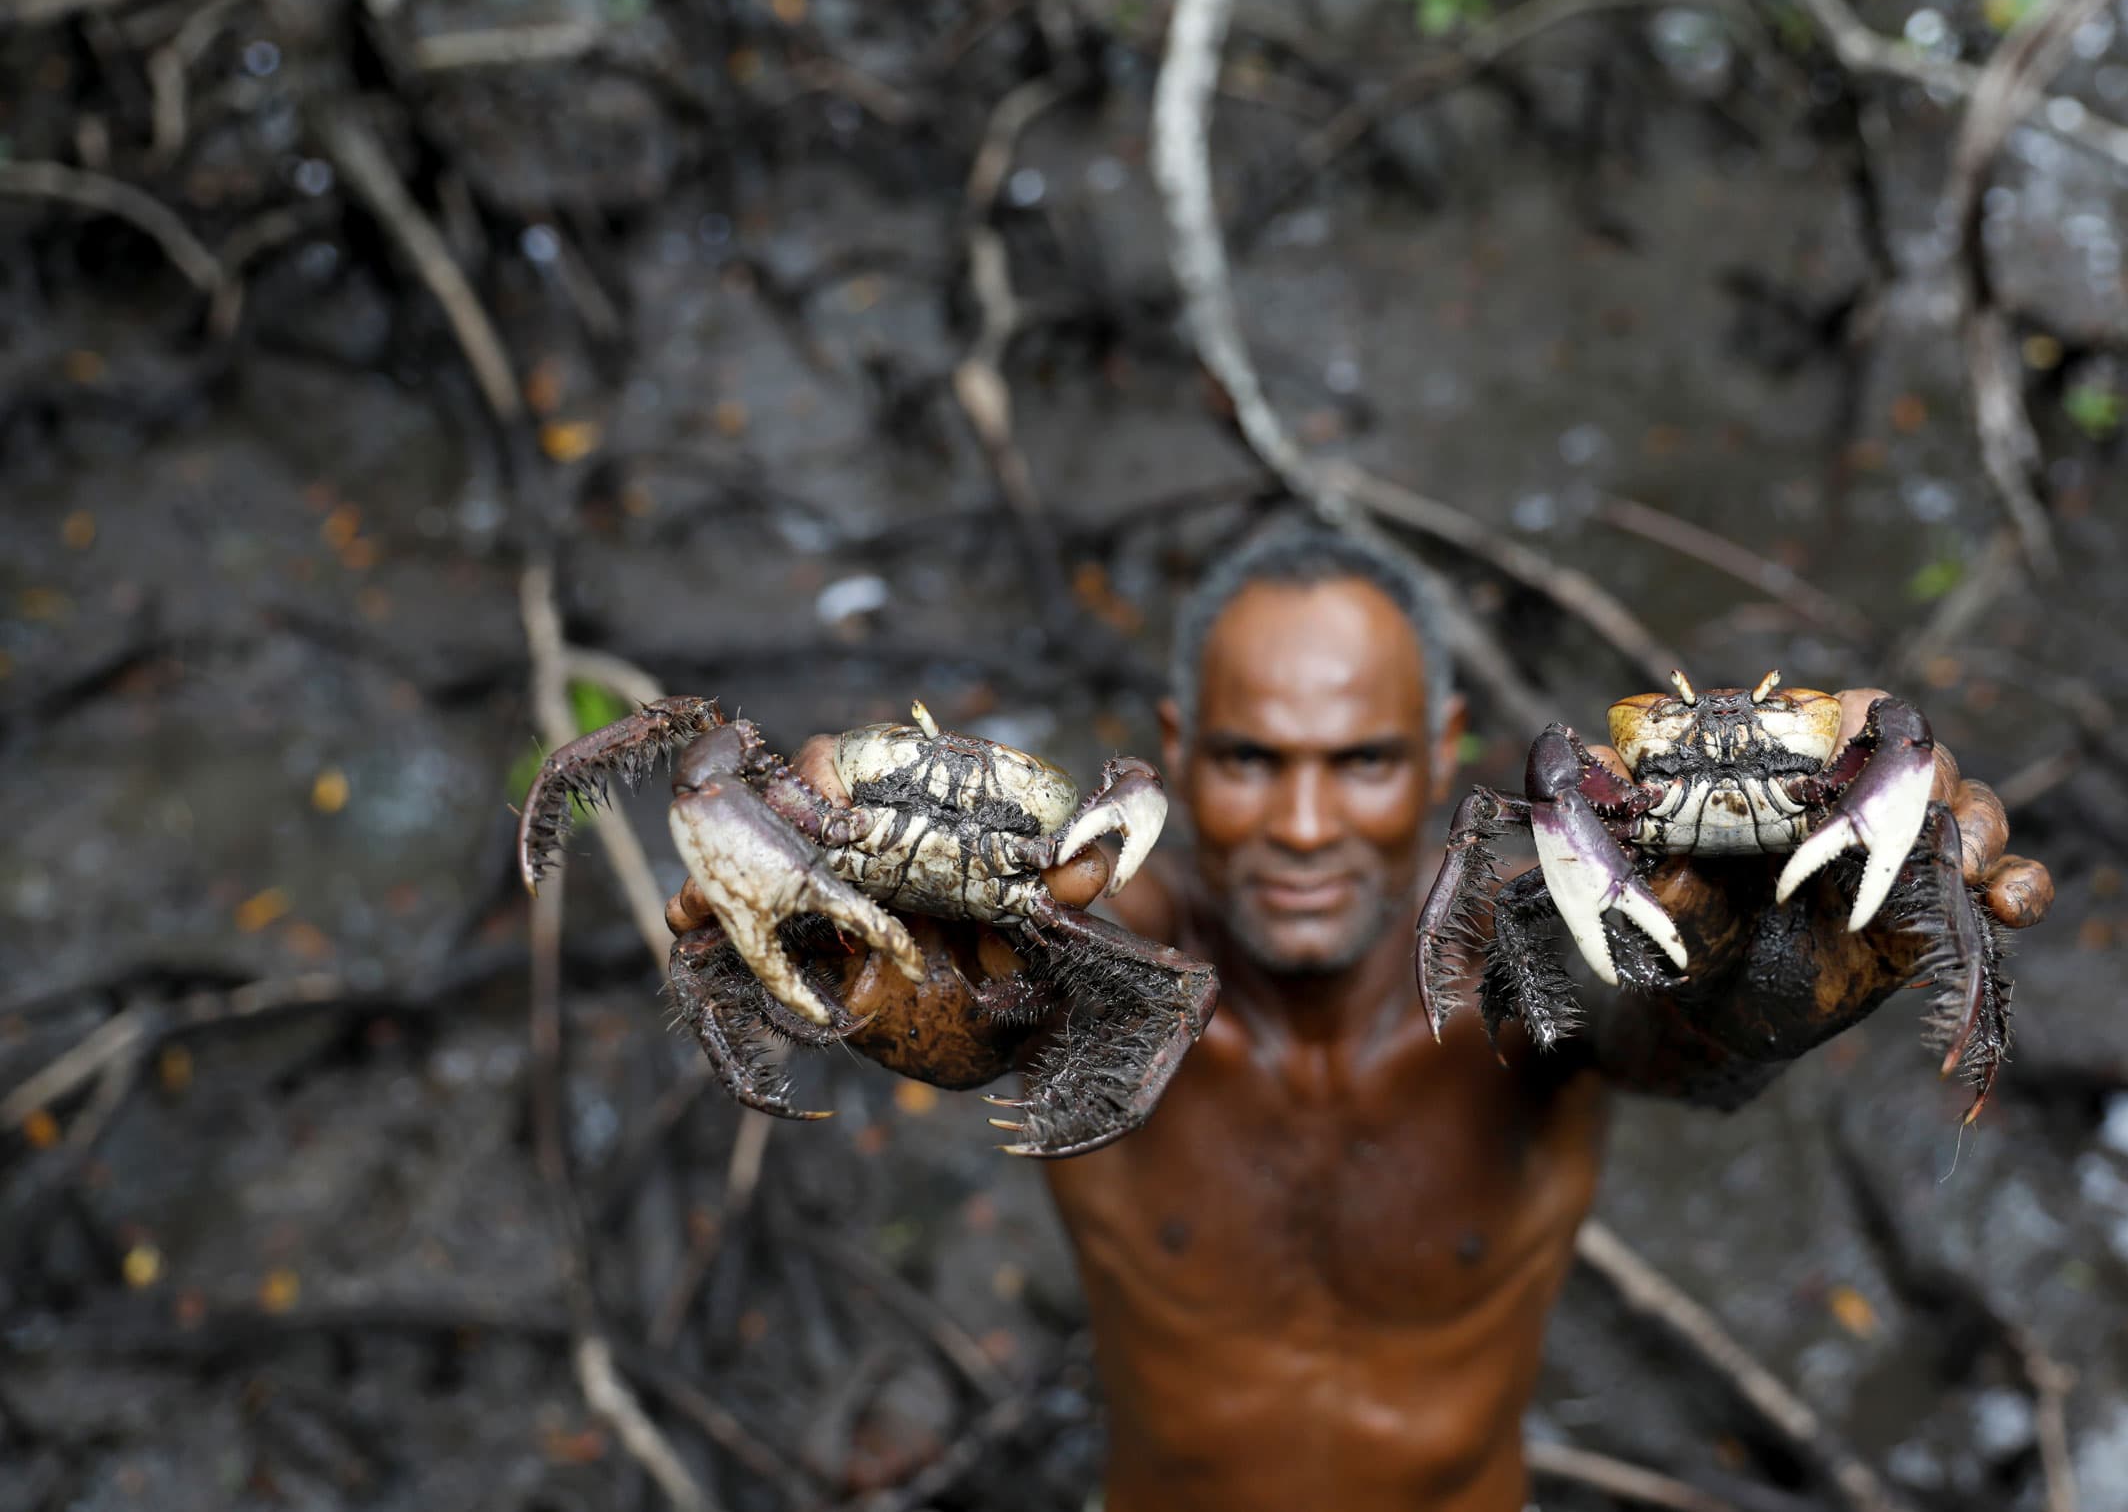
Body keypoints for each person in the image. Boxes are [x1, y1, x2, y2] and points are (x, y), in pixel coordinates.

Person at [669, 515, 2053, 1512]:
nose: (1306, 823)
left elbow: (1672, 1040)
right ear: (1171, 752)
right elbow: (994, 997)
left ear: (1443, 750)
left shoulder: (1535, 970)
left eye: (1364, 761)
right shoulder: (1097, 970)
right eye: (1252, 760)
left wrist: (1765, 989)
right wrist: (833, 931)